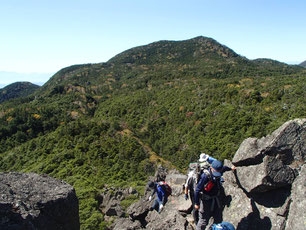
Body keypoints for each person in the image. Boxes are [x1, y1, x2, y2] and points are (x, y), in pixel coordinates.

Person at [194, 158, 236, 230]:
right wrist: (196, 203)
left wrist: (231, 168)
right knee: (203, 220)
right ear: (211, 168)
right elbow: (197, 190)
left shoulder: (220, 169)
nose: (217, 175)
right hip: (206, 200)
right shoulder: (205, 176)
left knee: (218, 218)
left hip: (216, 199)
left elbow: (224, 168)